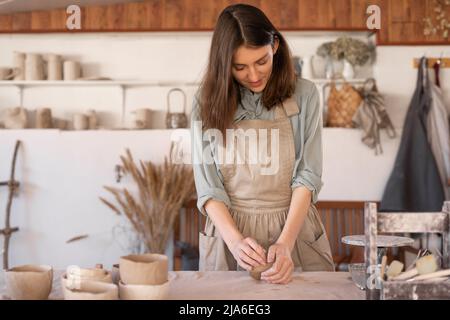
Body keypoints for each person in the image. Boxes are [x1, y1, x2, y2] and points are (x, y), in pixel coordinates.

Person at [190, 4, 334, 285]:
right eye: (240, 67)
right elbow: (207, 185)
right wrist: (234, 242)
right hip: (229, 234)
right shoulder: (206, 101)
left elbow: (308, 175)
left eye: (262, 61)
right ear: (224, 63)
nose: (254, 76)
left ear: (275, 46)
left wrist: (286, 243)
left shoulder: (305, 94)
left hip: (295, 228)